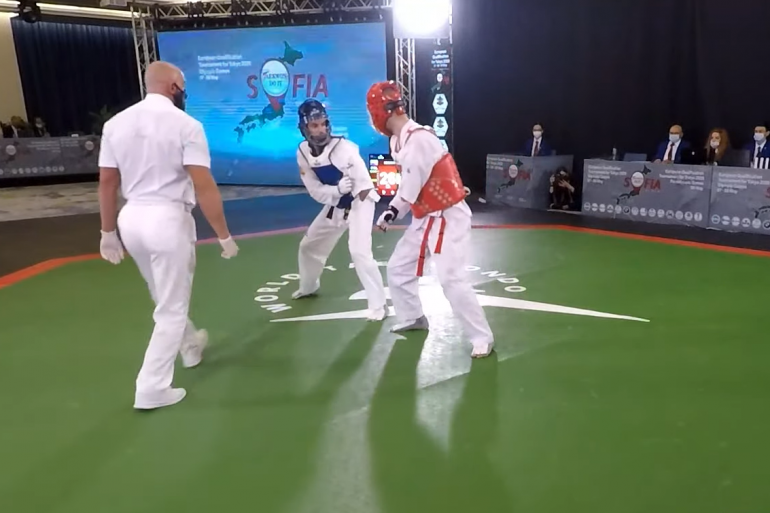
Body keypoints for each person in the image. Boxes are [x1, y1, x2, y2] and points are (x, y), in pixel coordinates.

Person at [98, 61, 239, 410]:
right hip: (167, 219)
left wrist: (107, 232)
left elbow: (107, 183)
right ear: (174, 86)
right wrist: (223, 235)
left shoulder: (115, 124)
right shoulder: (186, 125)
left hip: (131, 219)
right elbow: (203, 185)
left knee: (161, 292)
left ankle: (190, 344)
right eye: (183, 85)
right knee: (172, 308)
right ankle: (151, 386)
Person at [367, 80, 494, 359]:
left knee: (451, 279)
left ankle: (482, 336)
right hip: (425, 216)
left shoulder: (420, 139)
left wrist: (393, 210)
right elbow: (408, 186)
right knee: (399, 268)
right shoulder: (398, 140)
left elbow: (411, 187)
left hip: (449, 216)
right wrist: (392, 211)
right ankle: (412, 316)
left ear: (379, 111)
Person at [293, 98, 387, 321]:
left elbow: (363, 184)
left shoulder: (344, 149)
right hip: (336, 203)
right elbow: (314, 190)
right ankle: (308, 286)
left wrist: (355, 205)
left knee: (359, 251)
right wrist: (336, 191)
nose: (320, 129)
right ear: (304, 128)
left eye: (323, 124)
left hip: (360, 201)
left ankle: (378, 305)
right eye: (314, 125)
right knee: (308, 246)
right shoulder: (303, 152)